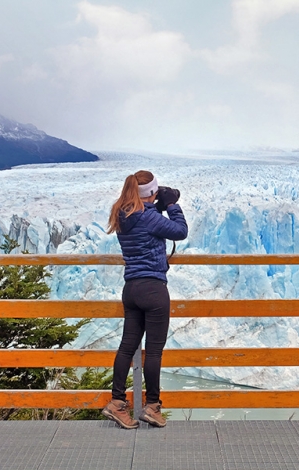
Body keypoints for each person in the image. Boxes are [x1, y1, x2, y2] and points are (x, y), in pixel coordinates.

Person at [101, 170, 188, 429]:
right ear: (151, 193)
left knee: (127, 346)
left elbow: (146, 225)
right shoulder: (149, 217)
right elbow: (180, 231)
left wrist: (155, 206)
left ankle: (116, 403)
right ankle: (152, 406)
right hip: (153, 289)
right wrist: (172, 205)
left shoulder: (123, 214)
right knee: (154, 351)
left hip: (131, 289)